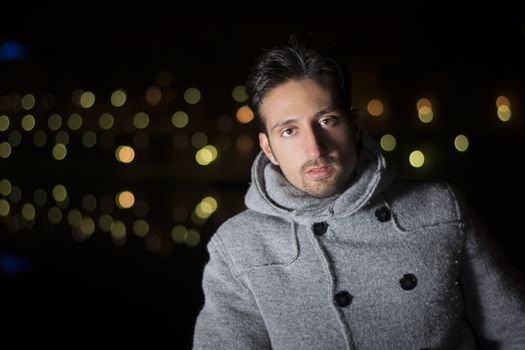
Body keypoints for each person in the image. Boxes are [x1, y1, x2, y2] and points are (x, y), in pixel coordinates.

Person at [193, 38, 525, 349]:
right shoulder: (238, 247)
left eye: (326, 121)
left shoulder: (440, 208)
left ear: (353, 125)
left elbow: (516, 332)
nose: (315, 149)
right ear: (268, 147)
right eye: (289, 130)